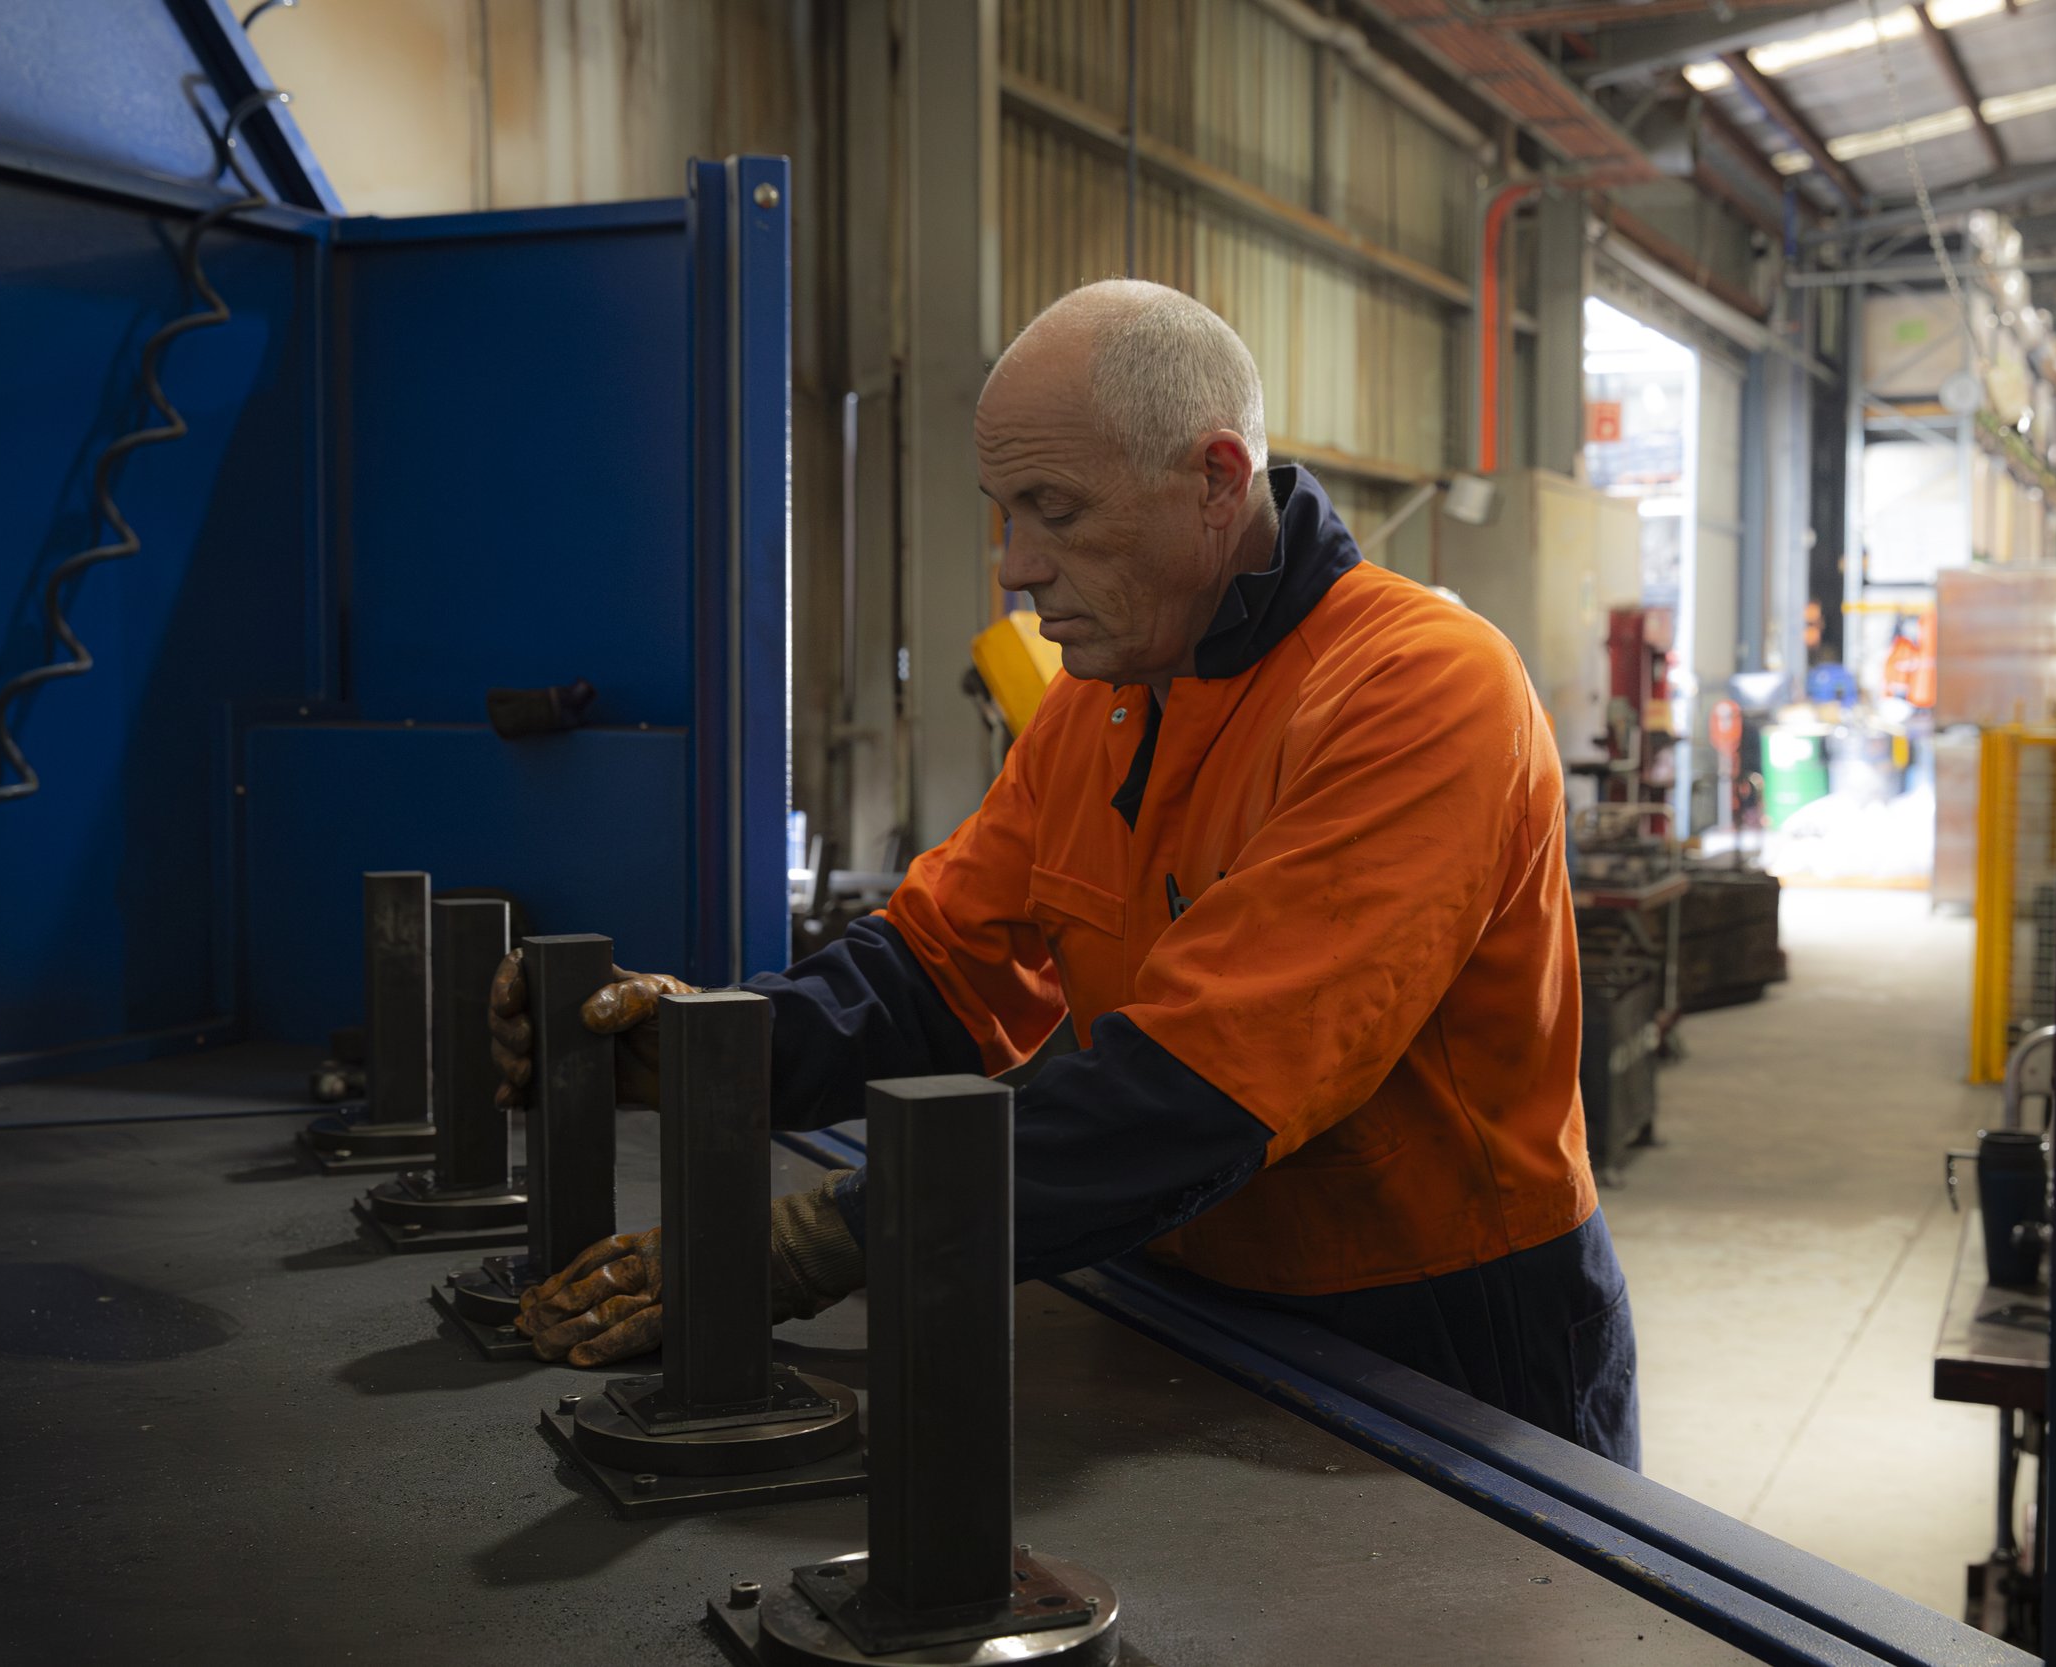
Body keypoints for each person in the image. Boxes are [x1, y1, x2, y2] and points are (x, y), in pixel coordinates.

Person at [489, 279, 1640, 1467]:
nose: (1015, 567)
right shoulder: (1102, 698)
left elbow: (1200, 1086)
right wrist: (707, 1048)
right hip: (1174, 1282)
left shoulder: (1418, 685)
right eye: (1003, 512)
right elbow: (938, 970)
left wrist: (813, 1242)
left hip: (1436, 1326)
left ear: (1213, 478)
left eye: (1053, 509)